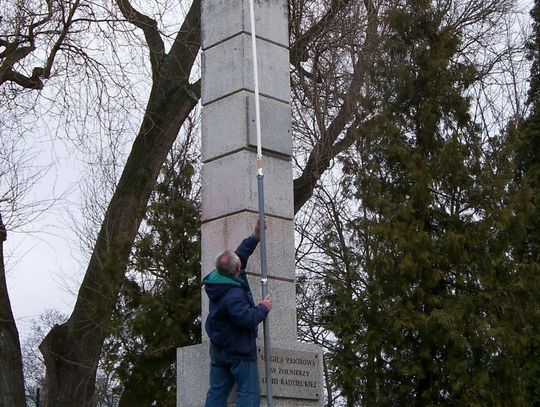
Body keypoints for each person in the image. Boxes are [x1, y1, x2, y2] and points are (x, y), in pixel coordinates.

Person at [203, 222, 272, 407]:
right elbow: (246, 318)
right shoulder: (233, 294)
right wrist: (263, 308)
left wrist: (255, 237)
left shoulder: (218, 279)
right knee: (248, 394)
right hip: (239, 350)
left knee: (217, 393)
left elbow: (240, 254)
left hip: (219, 349)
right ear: (237, 270)